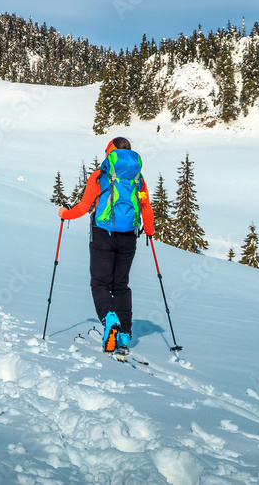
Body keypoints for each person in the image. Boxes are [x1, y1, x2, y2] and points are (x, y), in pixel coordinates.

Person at [58, 137, 154, 356]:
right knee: (121, 285)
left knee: (100, 283)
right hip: (129, 236)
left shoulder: (101, 174)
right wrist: (149, 230)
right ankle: (124, 335)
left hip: (103, 233)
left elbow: (84, 206)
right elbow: (146, 207)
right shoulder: (138, 178)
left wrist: (65, 213)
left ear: (110, 152)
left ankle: (109, 318)